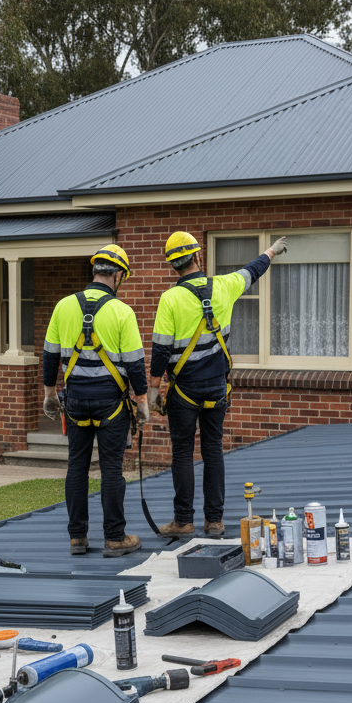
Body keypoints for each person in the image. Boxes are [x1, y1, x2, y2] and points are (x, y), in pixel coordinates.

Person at [148, 231, 287, 539]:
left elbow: (160, 350)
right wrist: (272, 251)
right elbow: (253, 269)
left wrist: (154, 390)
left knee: (183, 452)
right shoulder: (224, 286)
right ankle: (215, 521)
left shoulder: (170, 299)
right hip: (215, 388)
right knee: (212, 450)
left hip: (184, 390)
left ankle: (183, 521)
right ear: (198, 257)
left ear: (174, 266)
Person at [43, 244, 150, 557]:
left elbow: (49, 355)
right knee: (112, 470)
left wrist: (50, 394)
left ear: (95, 271)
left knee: (76, 467)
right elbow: (134, 362)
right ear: (117, 275)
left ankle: (78, 537)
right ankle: (115, 538)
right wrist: (141, 400)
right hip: (110, 402)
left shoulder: (63, 306)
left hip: (75, 399)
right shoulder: (121, 312)